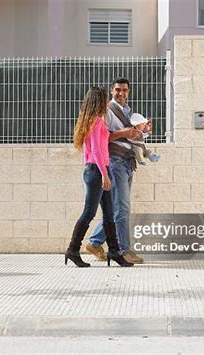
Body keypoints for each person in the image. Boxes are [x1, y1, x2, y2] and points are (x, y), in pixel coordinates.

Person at [65, 86, 134, 268]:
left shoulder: (95, 121)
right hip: (96, 172)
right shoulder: (95, 122)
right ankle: (72, 250)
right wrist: (104, 175)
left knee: (109, 213)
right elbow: (95, 150)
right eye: (104, 99)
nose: (106, 103)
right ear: (98, 101)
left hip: (100, 170)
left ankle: (114, 251)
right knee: (89, 212)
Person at [85, 78, 147, 264]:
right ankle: (123, 251)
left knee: (118, 209)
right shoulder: (108, 111)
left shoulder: (127, 111)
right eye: (118, 90)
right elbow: (104, 137)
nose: (121, 93)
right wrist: (125, 133)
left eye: (125, 90)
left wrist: (139, 132)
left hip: (127, 162)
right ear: (111, 91)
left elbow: (128, 133)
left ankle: (95, 242)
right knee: (122, 208)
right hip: (115, 162)